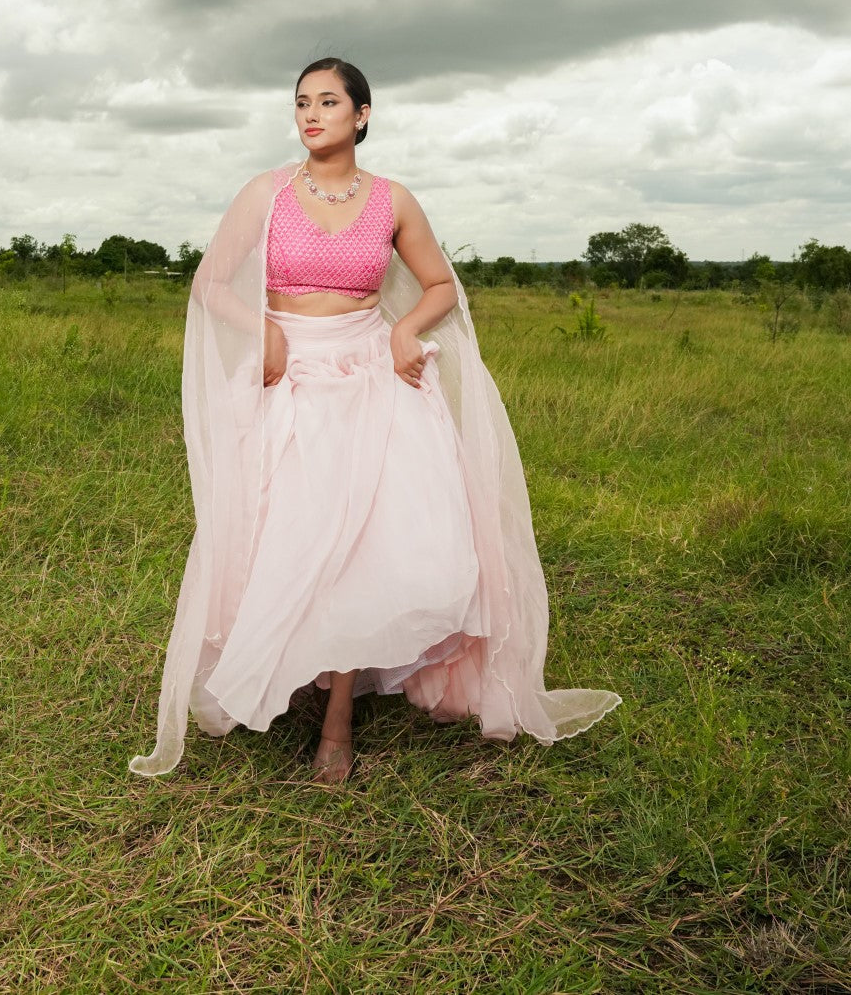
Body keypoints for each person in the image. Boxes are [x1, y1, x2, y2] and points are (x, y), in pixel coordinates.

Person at [130, 58, 621, 785]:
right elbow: (210, 284)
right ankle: (287, 667)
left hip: (368, 376)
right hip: (289, 373)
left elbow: (438, 286)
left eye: (328, 102)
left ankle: (337, 720)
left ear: (362, 114)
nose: (310, 114)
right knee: (290, 537)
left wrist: (404, 331)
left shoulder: (392, 201)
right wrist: (262, 331)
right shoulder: (265, 193)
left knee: (364, 547)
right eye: (301, 102)